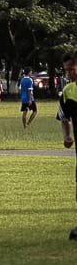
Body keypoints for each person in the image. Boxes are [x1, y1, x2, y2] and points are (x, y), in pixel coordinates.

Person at [57, 51, 77, 241]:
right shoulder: (68, 91)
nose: (68, 74)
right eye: (66, 70)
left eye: (71, 69)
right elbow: (64, 117)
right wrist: (67, 136)